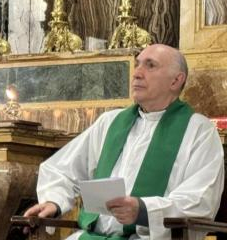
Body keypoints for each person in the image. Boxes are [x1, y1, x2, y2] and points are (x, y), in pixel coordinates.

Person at [23, 44, 224, 239]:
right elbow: (61, 169)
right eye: (137, 64)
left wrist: (143, 211)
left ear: (176, 80)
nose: (136, 72)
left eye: (150, 65)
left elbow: (200, 200)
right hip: (92, 237)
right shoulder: (110, 123)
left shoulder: (198, 130)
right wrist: (54, 202)